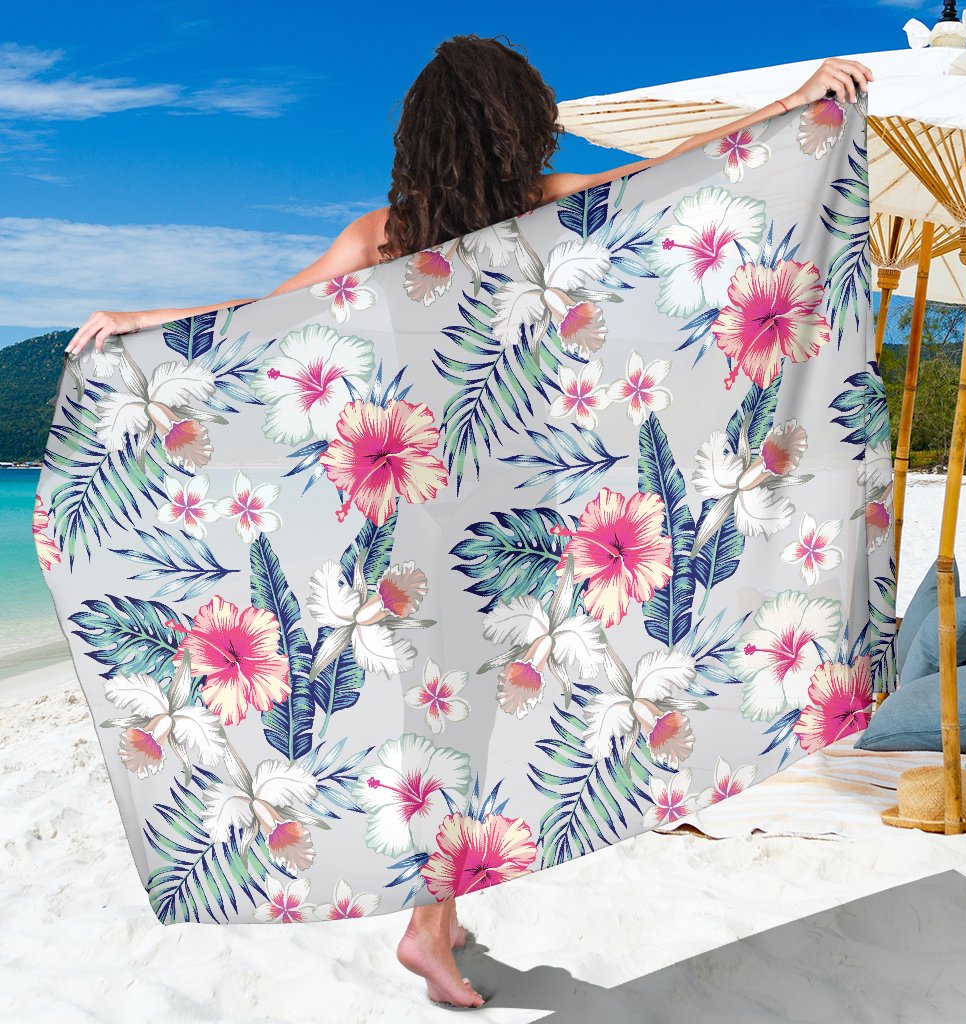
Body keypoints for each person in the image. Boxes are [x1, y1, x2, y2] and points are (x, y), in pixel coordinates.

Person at [65, 35, 873, 1009]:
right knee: (467, 730)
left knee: (447, 725)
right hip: (520, 506)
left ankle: (436, 918)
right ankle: (426, 928)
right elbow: (682, 171)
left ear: (419, 136)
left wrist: (141, 322)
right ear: (519, 122)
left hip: (409, 516)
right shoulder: (545, 208)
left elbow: (256, 321)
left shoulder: (384, 235)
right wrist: (791, 103)